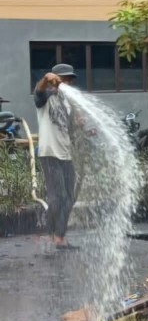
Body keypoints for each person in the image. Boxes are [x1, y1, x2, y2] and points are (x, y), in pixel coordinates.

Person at [34, 64, 79, 250]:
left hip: (66, 154)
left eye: (69, 79)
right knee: (57, 196)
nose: (67, 82)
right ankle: (47, 230)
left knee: (69, 197)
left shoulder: (67, 102)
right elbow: (38, 92)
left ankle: (59, 236)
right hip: (50, 152)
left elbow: (68, 127)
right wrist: (46, 79)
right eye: (64, 79)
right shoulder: (46, 95)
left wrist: (81, 125)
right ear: (56, 79)